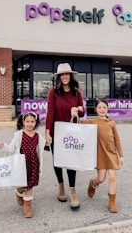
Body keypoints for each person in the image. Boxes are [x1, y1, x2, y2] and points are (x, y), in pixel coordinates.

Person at [45, 63, 85, 210]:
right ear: (59, 77)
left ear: (70, 76)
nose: (64, 77)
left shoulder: (77, 93)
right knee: (58, 161)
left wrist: (77, 109)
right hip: (57, 131)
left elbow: (82, 111)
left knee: (71, 161)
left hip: (72, 132)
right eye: (62, 75)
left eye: (67, 74)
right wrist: (47, 131)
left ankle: (73, 190)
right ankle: (61, 186)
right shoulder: (53, 92)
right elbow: (50, 113)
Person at [0, 112, 46, 218]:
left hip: (33, 164)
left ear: (36, 123)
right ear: (23, 122)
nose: (30, 124)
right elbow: (11, 148)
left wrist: (48, 142)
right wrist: (3, 146)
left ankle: (27, 207)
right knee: (21, 185)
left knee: (30, 186)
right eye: (27, 121)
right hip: (21, 164)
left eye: (32, 122)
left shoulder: (38, 136)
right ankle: (19, 192)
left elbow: (42, 148)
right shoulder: (18, 135)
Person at [80, 99, 124, 213]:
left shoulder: (111, 122)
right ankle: (93, 184)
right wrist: (75, 114)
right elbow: (79, 124)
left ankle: (112, 201)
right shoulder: (92, 121)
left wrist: (121, 155)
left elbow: (117, 139)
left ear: (107, 109)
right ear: (96, 109)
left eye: (104, 107)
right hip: (100, 154)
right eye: (99, 107)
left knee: (112, 178)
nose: (102, 109)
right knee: (101, 178)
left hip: (111, 153)